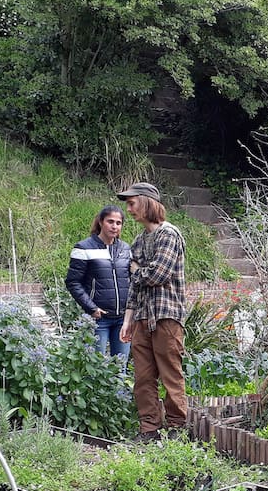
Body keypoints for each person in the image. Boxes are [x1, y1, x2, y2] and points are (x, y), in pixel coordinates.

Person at [117, 182, 188, 441]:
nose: (129, 209)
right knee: (143, 378)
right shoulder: (139, 240)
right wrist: (128, 320)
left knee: (170, 375)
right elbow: (134, 286)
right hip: (142, 318)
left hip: (167, 317)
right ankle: (149, 429)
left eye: (132, 203)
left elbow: (158, 274)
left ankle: (177, 429)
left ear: (147, 202)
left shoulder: (169, 234)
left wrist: (137, 270)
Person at [66, 205, 132, 360]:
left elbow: (134, 280)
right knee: (95, 367)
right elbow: (73, 282)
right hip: (98, 319)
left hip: (122, 319)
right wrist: (91, 308)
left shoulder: (126, 249)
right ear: (101, 222)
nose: (114, 226)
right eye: (110, 221)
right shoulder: (83, 248)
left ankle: (119, 386)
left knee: (120, 367)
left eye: (118, 223)